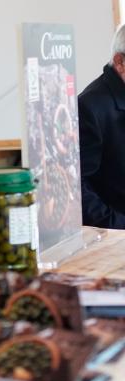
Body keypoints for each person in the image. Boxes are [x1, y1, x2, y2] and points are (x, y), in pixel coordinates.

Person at [78, 23, 125, 229]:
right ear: (120, 62)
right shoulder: (90, 107)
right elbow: (77, 187)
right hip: (116, 235)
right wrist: (117, 225)